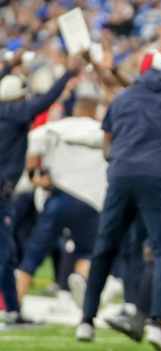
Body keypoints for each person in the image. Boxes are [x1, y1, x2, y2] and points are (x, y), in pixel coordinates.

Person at [75, 51, 161, 351]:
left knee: (105, 247)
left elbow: (106, 143)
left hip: (122, 175)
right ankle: (157, 323)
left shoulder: (123, 99)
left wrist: (124, 158)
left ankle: (86, 319)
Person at [0, 55, 82, 324]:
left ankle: (12, 310)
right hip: (2, 192)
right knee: (4, 253)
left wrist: (11, 68)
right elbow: (45, 100)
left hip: (6, 192)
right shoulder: (14, 114)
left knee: (9, 252)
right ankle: (11, 309)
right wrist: (68, 74)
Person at [16, 83, 106, 304]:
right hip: (90, 201)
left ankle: (15, 303)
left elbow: (34, 138)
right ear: (95, 110)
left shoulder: (59, 127)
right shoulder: (101, 130)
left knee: (33, 253)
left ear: (76, 108)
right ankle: (80, 279)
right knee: (88, 251)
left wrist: (33, 174)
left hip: (59, 195)